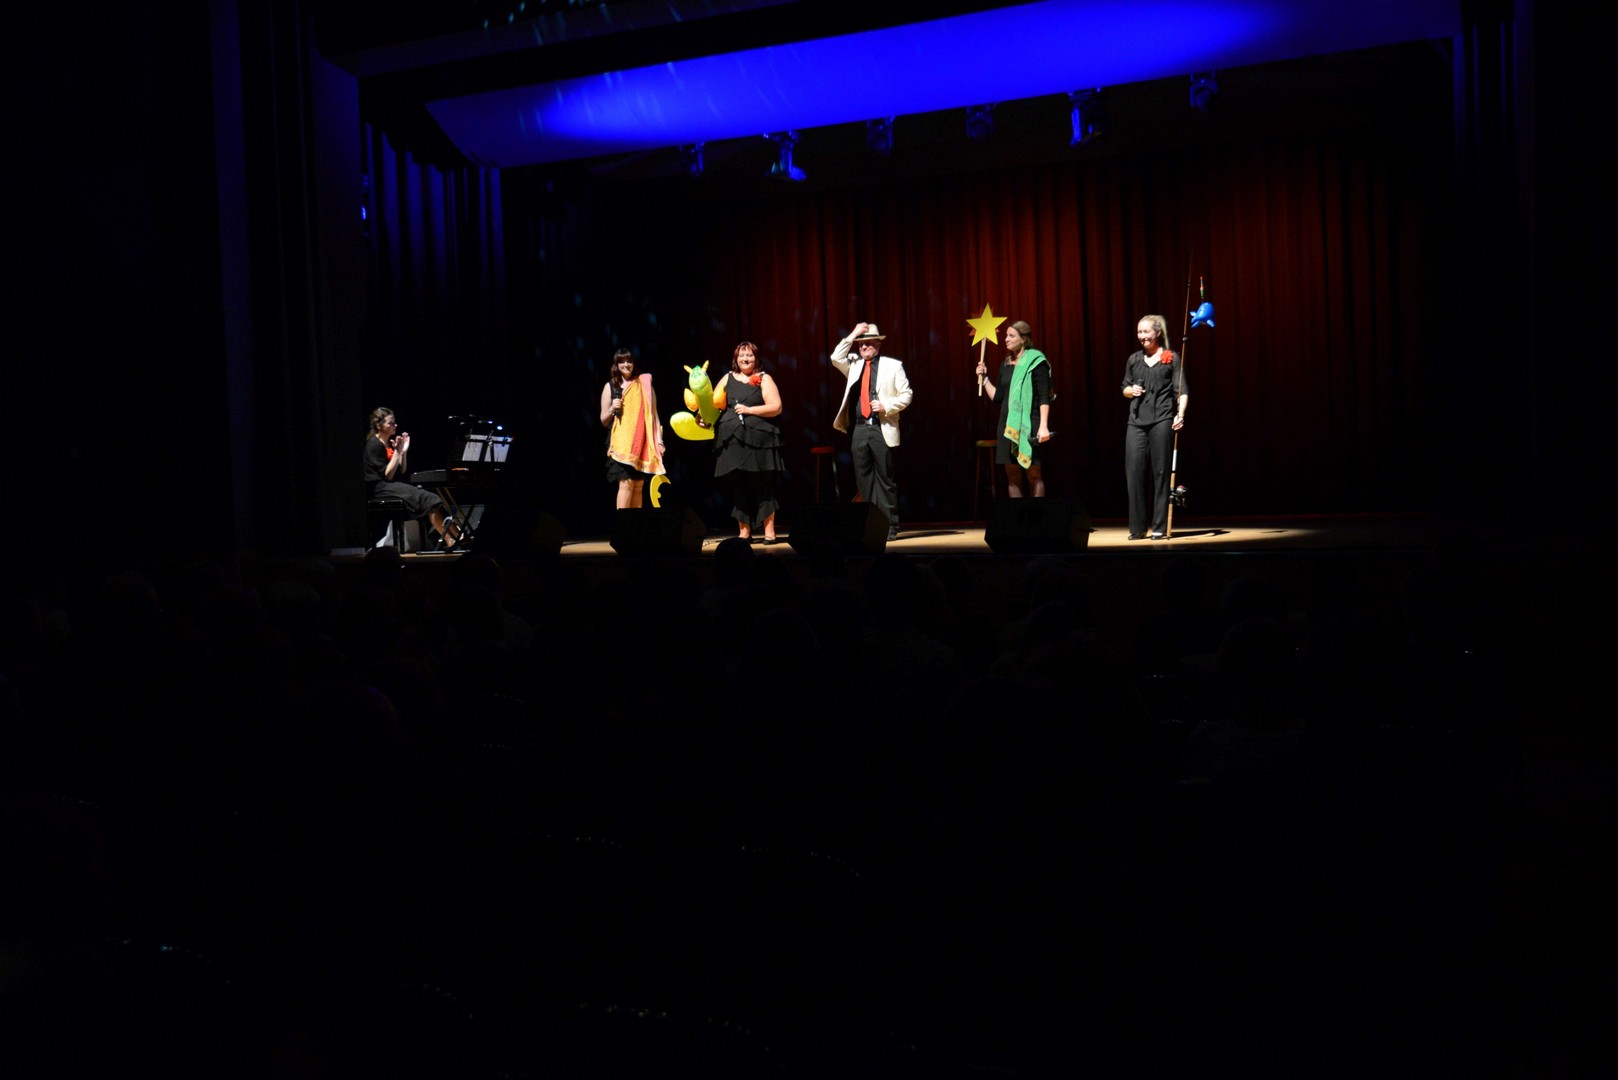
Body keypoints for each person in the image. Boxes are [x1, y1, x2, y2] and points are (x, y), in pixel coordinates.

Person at [831, 321, 913, 540]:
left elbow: (907, 394)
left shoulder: (892, 365)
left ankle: (890, 526)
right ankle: (868, 525)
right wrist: (854, 333)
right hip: (859, 428)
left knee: (885, 479)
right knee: (863, 479)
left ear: (878, 344)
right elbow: (835, 357)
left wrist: (887, 406)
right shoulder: (854, 365)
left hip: (881, 427)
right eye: (861, 344)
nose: (864, 347)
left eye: (868, 343)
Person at [1121, 313, 1189, 540]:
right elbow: (1124, 388)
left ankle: (1159, 526)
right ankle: (1137, 527)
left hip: (1162, 419)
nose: (1142, 336)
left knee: (1161, 473)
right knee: (1134, 473)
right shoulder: (1134, 360)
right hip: (1136, 422)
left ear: (1157, 333)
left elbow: (1182, 390)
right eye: (1139, 332)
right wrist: (1131, 391)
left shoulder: (1171, 358)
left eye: (1146, 331)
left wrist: (1180, 414)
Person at [713, 341, 784, 543]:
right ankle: (744, 532)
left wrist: (749, 410)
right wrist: (702, 419)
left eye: (750, 355)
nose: (745, 359)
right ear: (736, 359)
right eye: (742, 355)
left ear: (756, 358)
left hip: (759, 441)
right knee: (738, 486)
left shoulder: (764, 378)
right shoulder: (727, 378)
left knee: (763, 485)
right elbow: (714, 405)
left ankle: (769, 532)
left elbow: (776, 407)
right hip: (732, 441)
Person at [363, 407, 459, 550]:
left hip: (390, 485)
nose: (395, 425)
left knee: (431, 498)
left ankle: (458, 538)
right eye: (390, 423)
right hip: (380, 488)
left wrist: (403, 452)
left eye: (394, 422)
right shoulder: (374, 445)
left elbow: (401, 469)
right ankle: (449, 539)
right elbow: (387, 475)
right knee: (429, 498)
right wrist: (397, 451)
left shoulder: (388, 443)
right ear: (379, 425)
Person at [975, 320, 1052, 497]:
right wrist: (984, 379)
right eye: (1006, 336)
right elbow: (999, 397)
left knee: (1034, 475)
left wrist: (1043, 426)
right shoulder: (1006, 364)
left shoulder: (1036, 362)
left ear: (1023, 339)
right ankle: (1019, 515)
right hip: (1008, 425)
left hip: (1030, 424)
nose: (1006, 339)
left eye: (1011, 336)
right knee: (1012, 476)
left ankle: (1036, 514)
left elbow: (1044, 396)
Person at [599, 348, 666, 509]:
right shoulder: (610, 386)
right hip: (621, 444)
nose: (626, 365)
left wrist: (659, 442)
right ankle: (623, 524)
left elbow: (654, 416)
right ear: (616, 365)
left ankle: (636, 524)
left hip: (641, 443)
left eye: (629, 361)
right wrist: (612, 409)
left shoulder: (644, 384)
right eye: (622, 362)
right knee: (626, 484)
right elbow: (604, 420)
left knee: (638, 486)